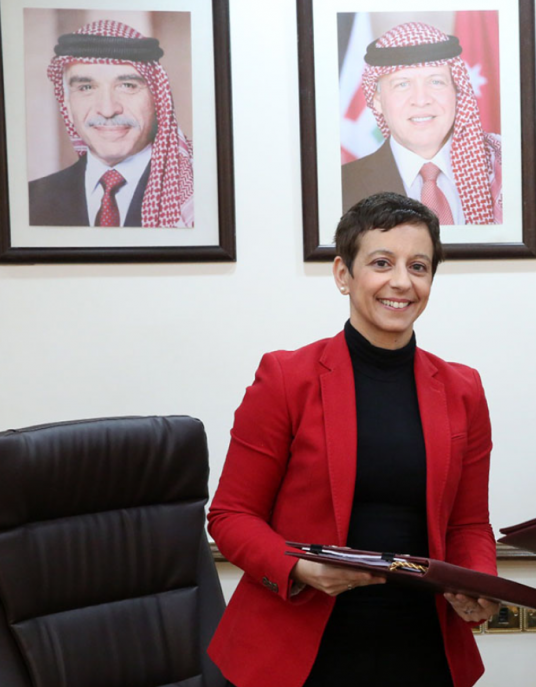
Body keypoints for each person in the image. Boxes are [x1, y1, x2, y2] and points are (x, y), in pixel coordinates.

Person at [207, 192, 498, 687]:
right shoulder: (285, 378)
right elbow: (231, 516)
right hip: (301, 643)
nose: (402, 282)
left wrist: (480, 583)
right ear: (343, 274)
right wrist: (299, 568)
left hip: (421, 642)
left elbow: (469, 524)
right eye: (382, 263)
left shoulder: (462, 388)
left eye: (419, 266)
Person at [28, 19, 194, 228]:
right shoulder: (30, 202)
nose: (107, 110)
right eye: (86, 88)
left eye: (127, 85)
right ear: (68, 106)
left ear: (158, 100)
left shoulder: (196, 196)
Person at [341, 22, 502, 225]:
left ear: (457, 92)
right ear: (377, 102)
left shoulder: (503, 167)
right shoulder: (342, 185)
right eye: (402, 84)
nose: (421, 99)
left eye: (436, 82)